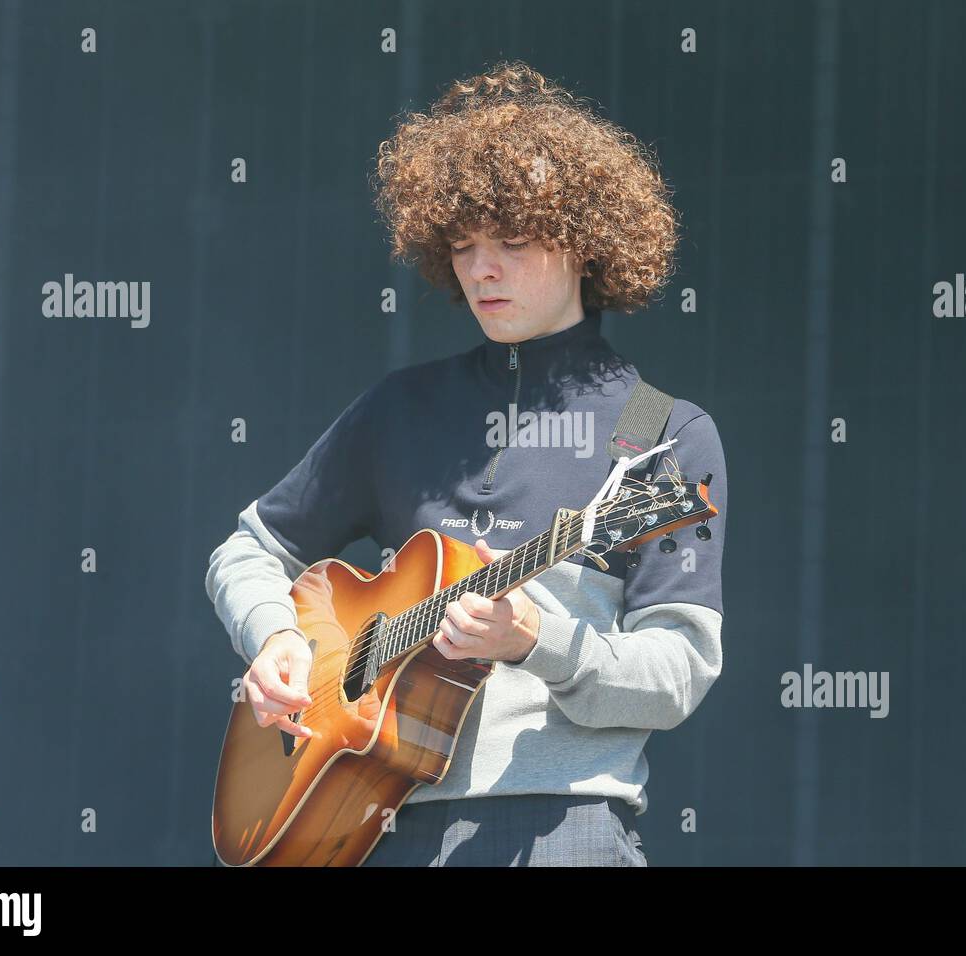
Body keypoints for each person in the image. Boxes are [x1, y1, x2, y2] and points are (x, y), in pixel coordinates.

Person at [205, 59, 727, 866]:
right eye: (463, 245)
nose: (481, 269)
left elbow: (678, 672)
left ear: (586, 243)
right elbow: (250, 548)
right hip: (370, 821)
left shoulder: (660, 433)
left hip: (563, 830)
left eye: (512, 243)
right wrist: (277, 640)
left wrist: (534, 641)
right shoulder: (398, 408)